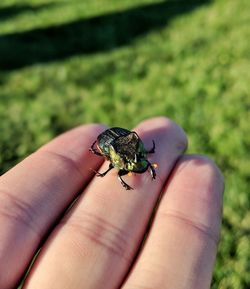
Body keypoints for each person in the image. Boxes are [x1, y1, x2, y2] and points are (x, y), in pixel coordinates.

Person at [0, 117, 224, 289]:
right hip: (112, 142)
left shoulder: (137, 152)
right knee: (119, 168)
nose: (141, 165)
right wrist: (114, 168)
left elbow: (138, 154)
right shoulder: (118, 159)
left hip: (122, 141)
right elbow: (118, 169)